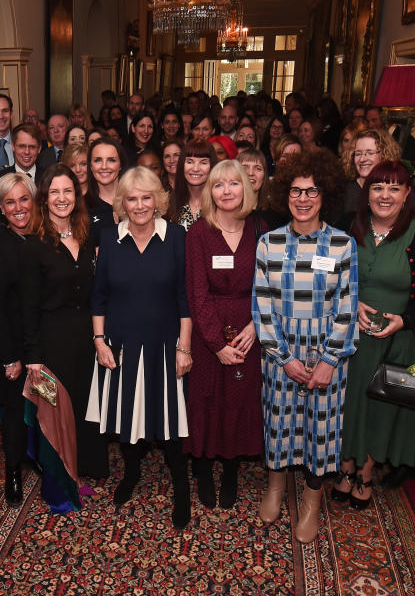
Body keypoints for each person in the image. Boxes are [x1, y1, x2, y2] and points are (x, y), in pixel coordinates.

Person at [252, 151, 359, 543]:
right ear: (285, 194)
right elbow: (261, 307)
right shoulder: (268, 243)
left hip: (328, 352)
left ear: (324, 193)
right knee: (279, 423)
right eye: (296, 190)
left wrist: (331, 359)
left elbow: (347, 307)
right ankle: (276, 488)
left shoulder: (343, 244)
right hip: (280, 350)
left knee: (321, 429)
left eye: (311, 190)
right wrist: (282, 357)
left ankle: (312, 503)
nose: (302, 198)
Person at [333, 161, 415, 509]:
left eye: (394, 188)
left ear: (407, 194)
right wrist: (350, 306)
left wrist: (407, 320)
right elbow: (325, 275)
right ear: (366, 193)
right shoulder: (345, 225)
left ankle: (366, 472)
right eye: (377, 187)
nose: (385, 195)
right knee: (347, 405)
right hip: (349, 336)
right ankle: (345, 466)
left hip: (397, 340)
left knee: (382, 410)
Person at [87, 167, 193, 529]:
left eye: (146, 197)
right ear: (122, 203)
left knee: (171, 421)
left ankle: (181, 484)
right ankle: (130, 473)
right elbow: (98, 297)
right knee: (127, 414)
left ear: (159, 200)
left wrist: (185, 348)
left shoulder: (177, 237)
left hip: (166, 344)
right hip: (122, 346)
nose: (140, 205)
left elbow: (185, 298)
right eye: (131, 198)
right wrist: (100, 342)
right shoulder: (109, 238)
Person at [183, 160, 265, 510]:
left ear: (245, 188)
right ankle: (202, 468)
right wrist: (216, 344)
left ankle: (231, 469)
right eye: (219, 185)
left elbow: (269, 286)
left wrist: (255, 326)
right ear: (209, 192)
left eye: (234, 183)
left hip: (249, 330)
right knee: (206, 398)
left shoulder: (261, 231)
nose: (226, 191)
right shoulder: (198, 233)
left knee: (238, 397)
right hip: (208, 332)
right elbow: (196, 294)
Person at [22, 166, 109, 483]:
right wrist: (32, 355)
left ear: (78, 195)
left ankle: (87, 466)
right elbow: (27, 306)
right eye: (54, 192)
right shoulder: (33, 246)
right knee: (58, 409)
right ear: (44, 199)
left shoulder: (88, 239)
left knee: (88, 404)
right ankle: (62, 474)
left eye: (68, 191)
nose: (62, 198)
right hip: (51, 340)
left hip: (87, 337)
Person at [0, 173, 39, 505]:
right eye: (10, 202)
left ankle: (42, 460)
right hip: (12, 348)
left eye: (24, 199)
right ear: (2, 208)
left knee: (43, 404)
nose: (18, 208)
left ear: (33, 201)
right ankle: (13, 472)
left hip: (40, 343)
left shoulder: (41, 240)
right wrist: (9, 359)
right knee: (14, 413)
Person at [341, 128, 402, 215]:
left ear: (384, 155)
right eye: (358, 153)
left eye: (369, 153)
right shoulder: (344, 192)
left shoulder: (401, 189)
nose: (362, 159)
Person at [166, 138, 215, 231]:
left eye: (203, 162)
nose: (195, 168)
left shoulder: (218, 204)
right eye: (190, 162)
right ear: (182, 165)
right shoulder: (169, 204)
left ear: (211, 166)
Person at [86, 137, 126, 244]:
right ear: (90, 166)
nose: (104, 166)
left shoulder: (136, 201)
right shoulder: (83, 207)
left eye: (111, 160)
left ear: (120, 165)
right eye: (98, 160)